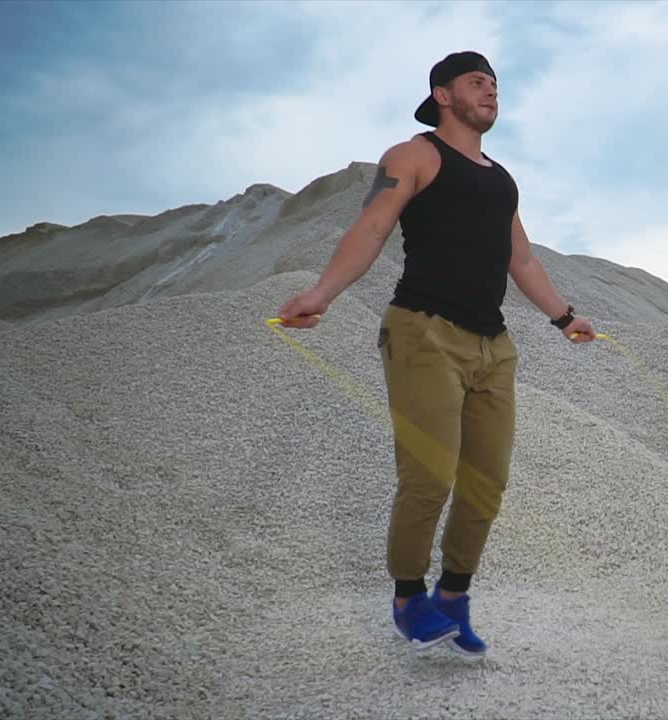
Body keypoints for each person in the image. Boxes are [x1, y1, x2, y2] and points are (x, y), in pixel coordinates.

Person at [276, 51, 597, 657]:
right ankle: (407, 598)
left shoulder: (502, 179)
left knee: (486, 483)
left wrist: (563, 318)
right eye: (478, 82)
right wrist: (321, 293)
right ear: (443, 95)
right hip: (422, 333)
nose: (491, 92)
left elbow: (520, 260)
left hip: (492, 346)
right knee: (429, 476)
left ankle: (453, 596)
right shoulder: (414, 155)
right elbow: (372, 228)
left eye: (496, 84)